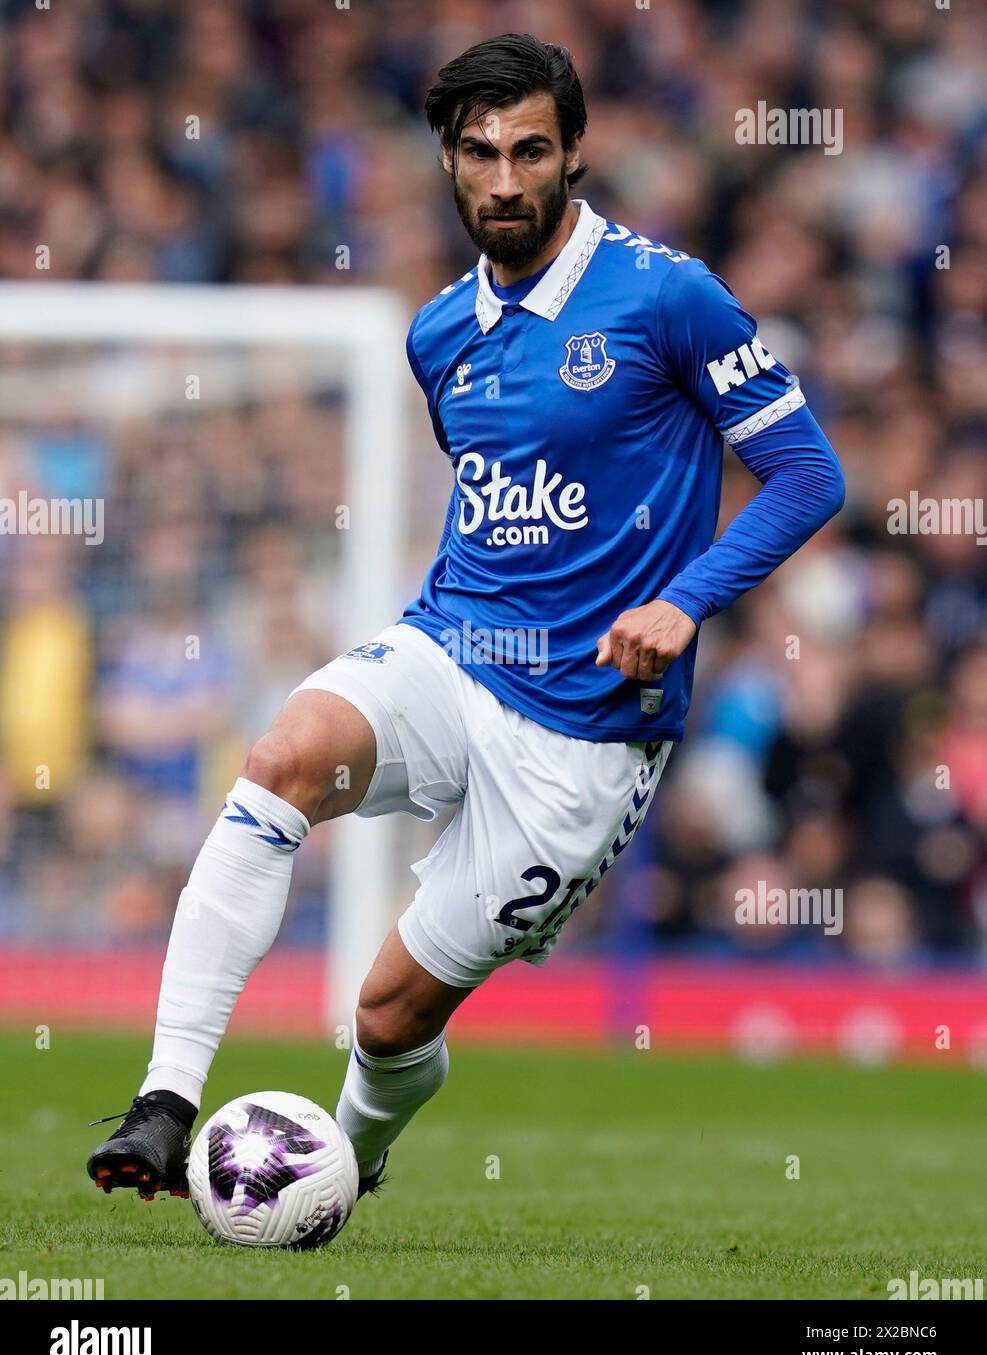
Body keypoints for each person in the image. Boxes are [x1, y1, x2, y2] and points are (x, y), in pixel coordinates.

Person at [88, 32, 844, 1203]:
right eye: (481, 152)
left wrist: (685, 600)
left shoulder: (668, 297)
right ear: (448, 158)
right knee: (281, 755)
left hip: (585, 734)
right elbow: (498, 503)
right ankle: (163, 1102)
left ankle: (350, 1157)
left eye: (531, 150)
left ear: (574, 152)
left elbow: (807, 473)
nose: (505, 179)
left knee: (387, 1017)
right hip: (454, 647)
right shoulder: (438, 334)